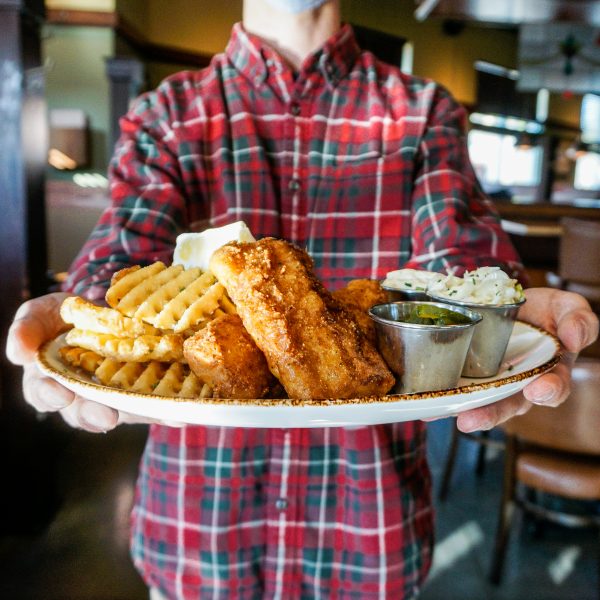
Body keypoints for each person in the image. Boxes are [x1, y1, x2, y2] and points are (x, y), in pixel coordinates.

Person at [6, 0, 599, 598]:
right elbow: (121, 257)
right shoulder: (169, 113)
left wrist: (501, 308)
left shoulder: (424, 111)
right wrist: (74, 319)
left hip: (369, 531)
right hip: (198, 530)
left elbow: (458, 258)